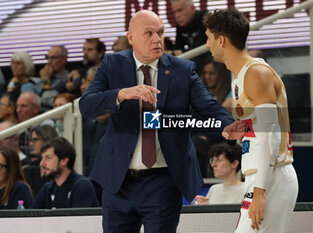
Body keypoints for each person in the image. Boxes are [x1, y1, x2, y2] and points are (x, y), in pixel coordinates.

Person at [79, 10, 233, 233]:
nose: (156, 39)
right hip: (119, 180)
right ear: (131, 38)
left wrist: (228, 124)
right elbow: (87, 104)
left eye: (160, 32)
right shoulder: (113, 64)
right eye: (149, 33)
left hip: (163, 180)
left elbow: (208, 106)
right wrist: (122, 94)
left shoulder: (182, 69)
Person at [203, 8, 298, 232]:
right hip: (262, 176)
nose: (207, 45)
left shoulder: (255, 73)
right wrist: (245, 127)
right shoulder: (240, 77)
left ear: (222, 40)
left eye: (208, 38)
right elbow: (263, 127)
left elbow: (271, 134)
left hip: (271, 176)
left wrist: (260, 191)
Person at [30, 137, 99, 209]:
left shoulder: (82, 185)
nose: (41, 164)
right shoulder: (48, 188)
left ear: (64, 161)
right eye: (42, 158)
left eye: (48, 158)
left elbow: (78, 219)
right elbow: (30, 217)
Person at [171, 0, 209, 74]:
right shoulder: (180, 25)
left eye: (180, 10)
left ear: (192, 8)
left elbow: (199, 50)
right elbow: (178, 47)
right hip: (194, 66)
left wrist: (171, 53)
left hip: (210, 64)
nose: (177, 15)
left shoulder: (205, 19)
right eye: (174, 12)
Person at [23, 125, 58, 196]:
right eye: (30, 140)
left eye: (35, 140)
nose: (30, 144)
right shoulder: (29, 164)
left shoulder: (57, 165)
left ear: (46, 140)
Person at [39, 45, 69, 110]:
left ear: (64, 59)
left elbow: (50, 100)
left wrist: (46, 80)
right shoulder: (44, 75)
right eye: (48, 58)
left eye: (53, 58)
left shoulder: (68, 79)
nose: (49, 62)